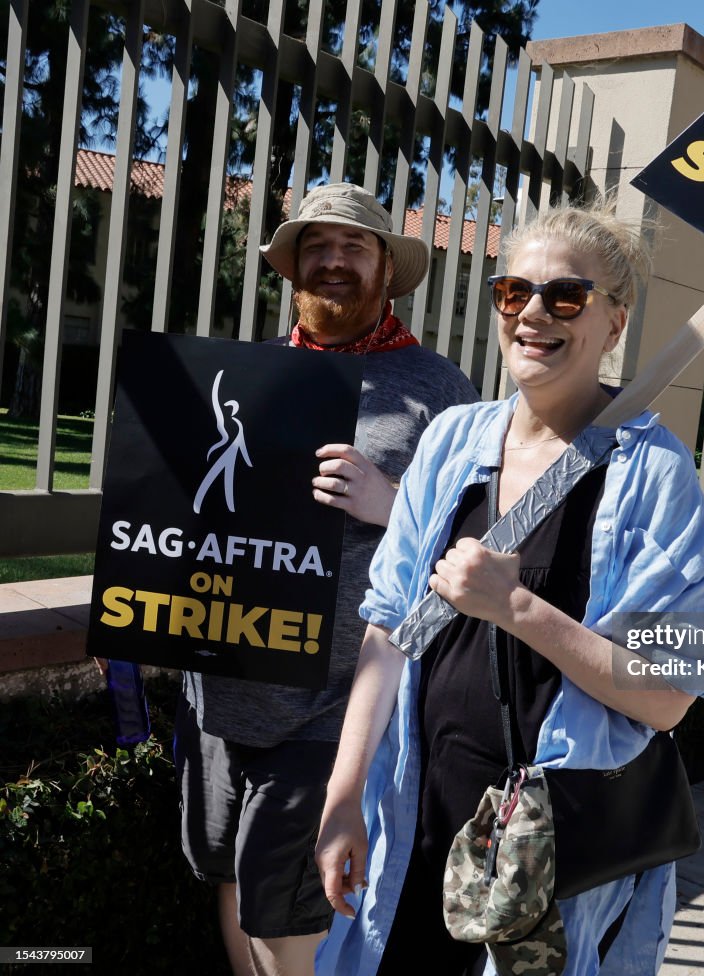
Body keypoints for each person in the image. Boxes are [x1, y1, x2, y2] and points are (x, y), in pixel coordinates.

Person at [314, 200, 704, 976]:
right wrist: (344, 794)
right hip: (418, 816)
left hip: (550, 848)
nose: (535, 314)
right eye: (515, 292)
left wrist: (515, 608)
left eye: (567, 296)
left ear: (613, 323)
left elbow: (667, 693)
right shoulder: (453, 441)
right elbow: (388, 629)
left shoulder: (652, 473)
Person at [173, 182, 479, 976]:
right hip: (220, 685)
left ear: (386, 266)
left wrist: (392, 506)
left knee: (290, 911)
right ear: (293, 266)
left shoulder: (439, 391)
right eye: (317, 245)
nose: (334, 260)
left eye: (354, 246)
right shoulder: (246, 373)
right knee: (231, 877)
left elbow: (477, 546)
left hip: (332, 704)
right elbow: (188, 511)